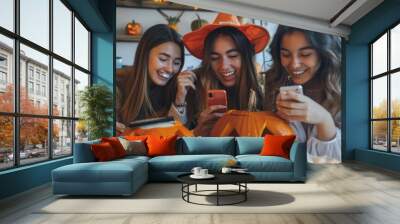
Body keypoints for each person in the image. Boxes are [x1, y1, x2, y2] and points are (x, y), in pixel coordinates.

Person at [177, 13, 270, 136]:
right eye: (215, 58)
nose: (224, 66)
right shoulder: (193, 88)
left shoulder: (264, 89)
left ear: (246, 57)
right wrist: (197, 131)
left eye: (232, 56)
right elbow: (176, 142)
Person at [264, 25, 342, 164]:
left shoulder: (345, 90)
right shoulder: (275, 86)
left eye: (305, 54)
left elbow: (335, 164)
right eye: (286, 54)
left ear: (323, 53)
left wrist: (324, 120)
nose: (294, 64)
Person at [116, 24, 191, 134]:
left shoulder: (177, 89)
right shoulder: (117, 83)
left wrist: (180, 100)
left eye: (176, 63)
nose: (170, 69)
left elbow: (177, 133)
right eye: (163, 59)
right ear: (145, 55)